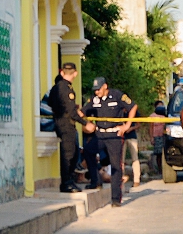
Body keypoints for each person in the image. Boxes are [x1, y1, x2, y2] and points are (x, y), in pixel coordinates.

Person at [82, 77, 135, 207]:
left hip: (114, 134)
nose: (97, 92)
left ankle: (116, 198)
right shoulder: (94, 99)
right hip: (99, 133)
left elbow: (133, 106)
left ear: (105, 86)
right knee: (88, 151)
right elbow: (83, 112)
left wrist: (127, 126)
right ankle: (96, 181)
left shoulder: (117, 95)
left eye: (99, 89)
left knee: (115, 165)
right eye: (95, 90)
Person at [46, 62, 94, 192]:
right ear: (75, 73)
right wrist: (86, 123)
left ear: (62, 72)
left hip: (59, 122)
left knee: (70, 154)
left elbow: (50, 102)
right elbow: (71, 112)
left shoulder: (55, 87)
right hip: (67, 124)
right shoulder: (67, 89)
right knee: (69, 155)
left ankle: (69, 181)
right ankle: (67, 182)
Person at [123, 118, 142, 188]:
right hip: (122, 136)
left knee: (135, 158)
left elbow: (138, 124)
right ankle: (121, 179)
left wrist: (130, 128)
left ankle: (136, 180)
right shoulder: (119, 109)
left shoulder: (133, 111)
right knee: (121, 160)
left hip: (132, 136)